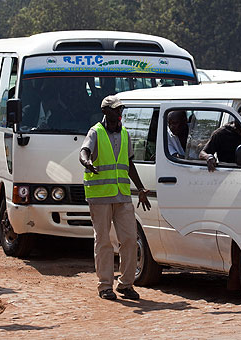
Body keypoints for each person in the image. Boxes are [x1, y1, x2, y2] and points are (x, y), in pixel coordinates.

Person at [79, 95, 151, 300]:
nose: (120, 113)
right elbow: (83, 152)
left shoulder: (125, 133)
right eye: (116, 110)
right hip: (100, 196)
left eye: (120, 110)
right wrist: (87, 162)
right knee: (103, 241)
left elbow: (129, 164)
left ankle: (126, 284)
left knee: (129, 239)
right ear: (105, 112)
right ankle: (105, 286)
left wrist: (141, 188)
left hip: (122, 195)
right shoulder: (95, 132)